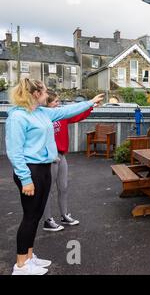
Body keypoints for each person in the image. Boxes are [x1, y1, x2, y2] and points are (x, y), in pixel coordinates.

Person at [5, 78, 104, 275]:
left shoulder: (42, 112)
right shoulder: (17, 117)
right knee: (29, 217)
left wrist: (90, 102)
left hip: (43, 168)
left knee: (36, 215)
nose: (46, 94)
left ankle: (30, 257)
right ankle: (21, 265)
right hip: (30, 170)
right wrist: (25, 179)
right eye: (43, 91)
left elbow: (67, 111)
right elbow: (14, 152)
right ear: (35, 94)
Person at [42, 90, 94, 232]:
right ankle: (48, 220)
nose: (59, 104)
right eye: (56, 101)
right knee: (47, 190)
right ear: (47, 103)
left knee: (63, 187)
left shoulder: (61, 115)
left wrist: (90, 106)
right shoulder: (42, 117)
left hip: (62, 155)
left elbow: (77, 116)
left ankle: (64, 215)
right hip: (50, 158)